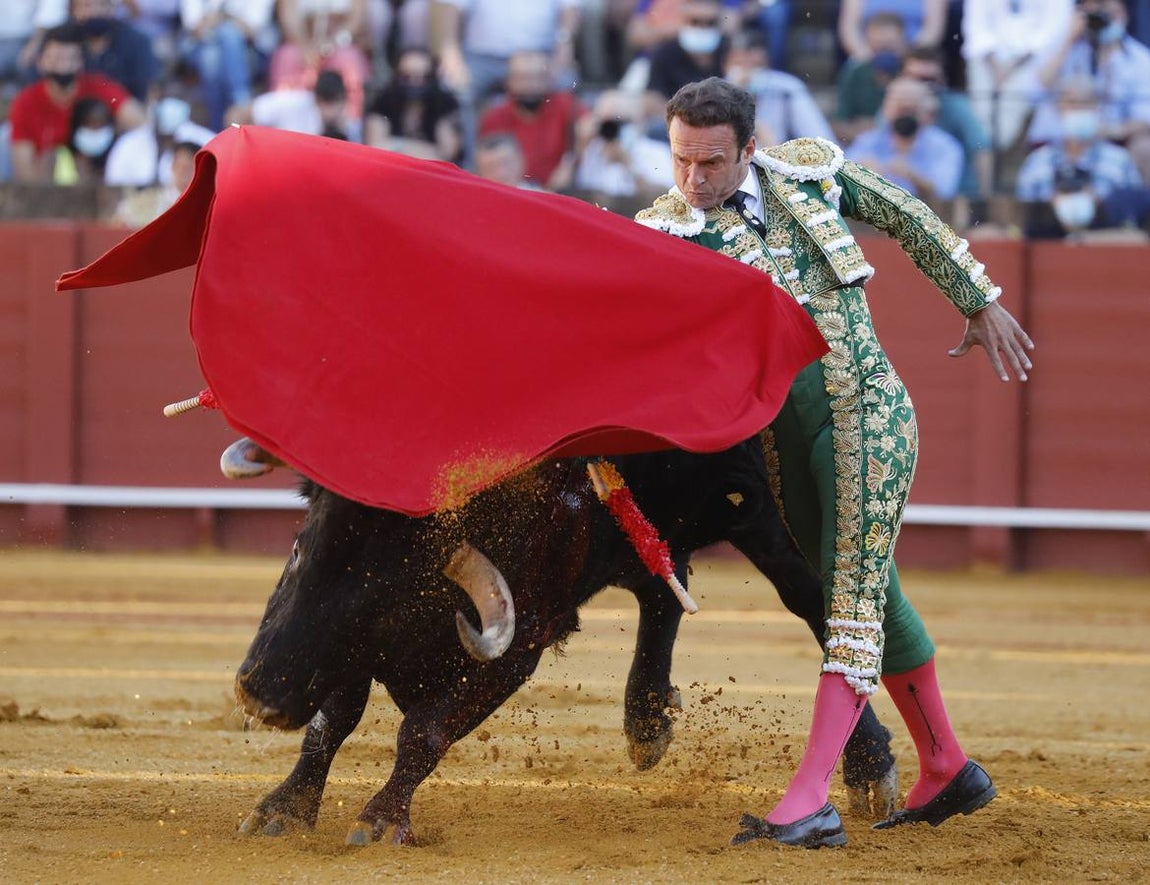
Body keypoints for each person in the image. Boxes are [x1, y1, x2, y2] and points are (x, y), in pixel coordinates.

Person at [636, 77, 1032, 848]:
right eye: (681, 160)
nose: (694, 180)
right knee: (867, 594)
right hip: (780, 449)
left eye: (711, 162)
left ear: (748, 149)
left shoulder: (808, 171)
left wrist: (977, 298)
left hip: (867, 413)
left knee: (847, 602)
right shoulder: (663, 231)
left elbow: (904, 214)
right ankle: (946, 763)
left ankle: (807, 800)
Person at [8, 22, 144, 183]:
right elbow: (25, 171)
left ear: (81, 62)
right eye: (56, 59)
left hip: (102, 181)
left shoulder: (100, 87)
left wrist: (111, 135)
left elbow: (141, 125)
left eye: (71, 59)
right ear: (41, 62)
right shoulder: (25, 102)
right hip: (47, 189)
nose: (64, 67)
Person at [1032, 0, 1150, 183]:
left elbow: (1146, 117)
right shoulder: (1065, 46)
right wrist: (1069, 39)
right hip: (1061, 138)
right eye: (1097, 11)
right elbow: (1038, 85)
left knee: (1145, 147)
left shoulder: (1139, 58)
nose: (1105, 17)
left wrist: (1109, 130)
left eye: (1112, 11)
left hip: (1114, 140)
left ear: (1125, 14)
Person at [1016, 77, 1143, 237]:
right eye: (1072, 103)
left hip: (1105, 246)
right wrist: (1052, 207)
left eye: (1086, 103)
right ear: (1059, 108)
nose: (1079, 109)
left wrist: (1100, 206)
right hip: (1050, 245)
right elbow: (1022, 220)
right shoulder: (1037, 163)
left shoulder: (1120, 161)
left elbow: (1134, 217)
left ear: (1097, 108)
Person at [961, 0, 1074, 151]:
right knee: (981, 118)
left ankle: (989, 158)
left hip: (1032, 60)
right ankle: (984, 159)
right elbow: (975, 27)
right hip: (986, 59)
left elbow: (1054, 29)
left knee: (1005, 125)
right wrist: (994, 64)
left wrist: (1014, 65)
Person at [477, 50, 588, 191]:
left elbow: (589, 126)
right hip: (511, 191)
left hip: (563, 191)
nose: (530, 85)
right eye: (522, 79)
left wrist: (571, 161)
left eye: (537, 77)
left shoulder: (566, 106)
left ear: (548, 79)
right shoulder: (494, 118)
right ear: (508, 82)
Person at [846, 74, 965, 204]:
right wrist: (861, 173)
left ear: (926, 111)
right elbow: (842, 180)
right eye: (899, 108)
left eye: (911, 109)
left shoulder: (944, 145)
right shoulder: (867, 142)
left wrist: (912, 176)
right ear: (886, 109)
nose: (905, 116)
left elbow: (945, 192)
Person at [901, 46, 992, 202]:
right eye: (916, 79)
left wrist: (984, 198)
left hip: (956, 196)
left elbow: (981, 149)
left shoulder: (956, 106)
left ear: (942, 80)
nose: (923, 86)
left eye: (929, 79)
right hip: (906, 194)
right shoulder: (895, 104)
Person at [177, 0, 278, 131]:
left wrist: (221, 18)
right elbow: (195, 28)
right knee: (214, 53)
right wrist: (228, 19)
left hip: (249, 52)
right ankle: (241, 102)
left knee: (222, 43)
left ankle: (215, 130)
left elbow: (251, 30)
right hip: (199, 48)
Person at [723, 26, 834, 145]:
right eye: (740, 64)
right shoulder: (717, 91)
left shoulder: (786, 87)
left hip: (776, 156)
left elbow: (822, 140)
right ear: (725, 64)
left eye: (754, 65)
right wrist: (734, 92)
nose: (747, 72)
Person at [269, 0, 371, 121]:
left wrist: (335, 42)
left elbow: (356, 18)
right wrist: (304, 46)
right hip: (303, 41)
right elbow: (288, 16)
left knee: (349, 61)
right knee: (287, 57)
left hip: (341, 43)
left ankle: (348, 125)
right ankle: (286, 126)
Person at [364, 46, 462, 162]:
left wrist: (396, 145)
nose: (415, 83)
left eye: (424, 77)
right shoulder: (383, 103)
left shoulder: (445, 105)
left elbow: (446, 155)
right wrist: (423, 150)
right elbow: (375, 148)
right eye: (406, 77)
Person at [834, 11, 907, 145]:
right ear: (868, 41)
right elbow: (840, 125)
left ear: (902, 40)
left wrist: (872, 126)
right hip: (862, 147)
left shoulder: (912, 71)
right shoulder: (855, 72)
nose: (884, 50)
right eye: (879, 46)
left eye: (890, 45)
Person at [230, 68, 359, 141]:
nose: (331, 111)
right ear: (317, 100)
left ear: (343, 101)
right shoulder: (292, 103)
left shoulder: (351, 126)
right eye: (325, 103)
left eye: (335, 102)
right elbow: (235, 115)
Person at [71, 0, 160, 103]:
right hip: (74, 112)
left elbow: (148, 88)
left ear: (111, 9)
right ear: (74, 10)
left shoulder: (136, 41)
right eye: (86, 5)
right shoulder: (64, 40)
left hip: (125, 111)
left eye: (101, 5)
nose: (93, 12)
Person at [645, 0, 730, 100]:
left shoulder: (730, 51)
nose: (702, 28)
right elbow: (652, 98)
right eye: (694, 21)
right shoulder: (664, 53)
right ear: (682, 21)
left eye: (710, 22)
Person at [837, 0, 947, 60]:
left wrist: (908, 55)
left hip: (914, 56)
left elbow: (933, 31)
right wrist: (866, 56)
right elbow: (849, 29)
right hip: (866, 55)